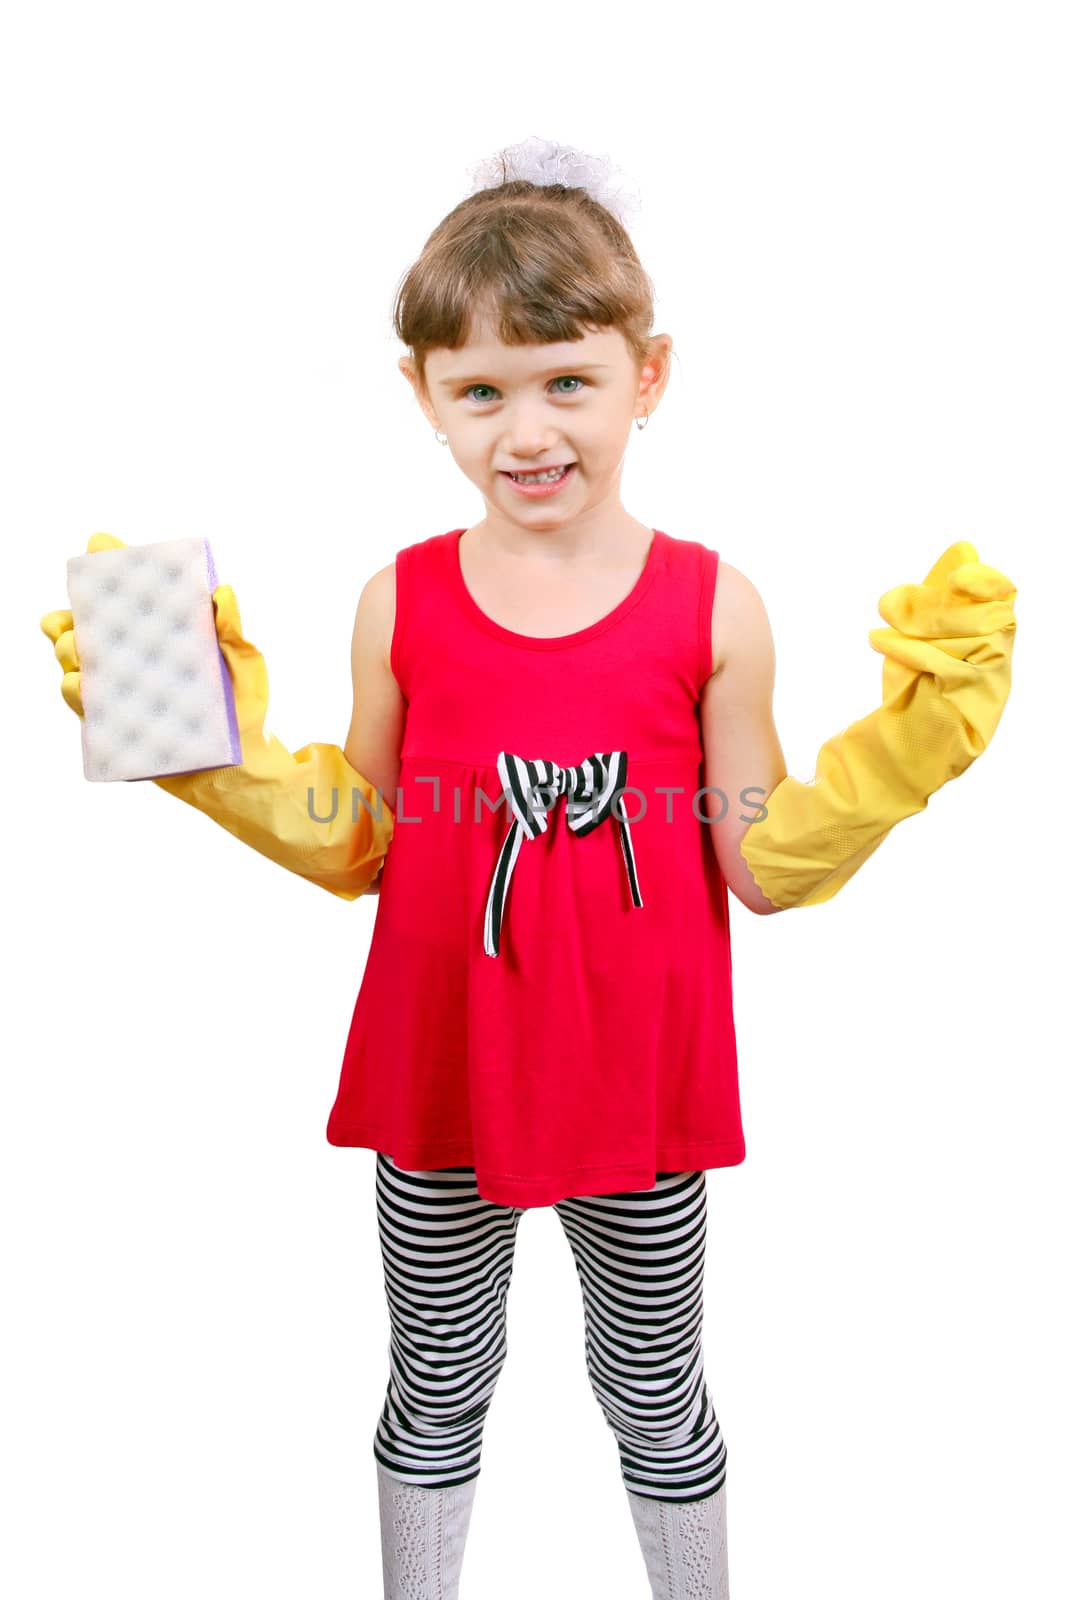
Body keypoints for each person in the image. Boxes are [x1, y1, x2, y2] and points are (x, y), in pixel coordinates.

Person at [41, 134, 1016, 1600]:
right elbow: (359, 839)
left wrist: (908, 748)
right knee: (434, 1378)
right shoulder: (403, 598)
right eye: (480, 390)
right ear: (422, 396)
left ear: (649, 374)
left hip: (638, 1069)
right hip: (443, 1062)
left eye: (568, 379)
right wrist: (204, 746)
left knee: (655, 1383)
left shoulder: (714, 603)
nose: (528, 428)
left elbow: (760, 856)